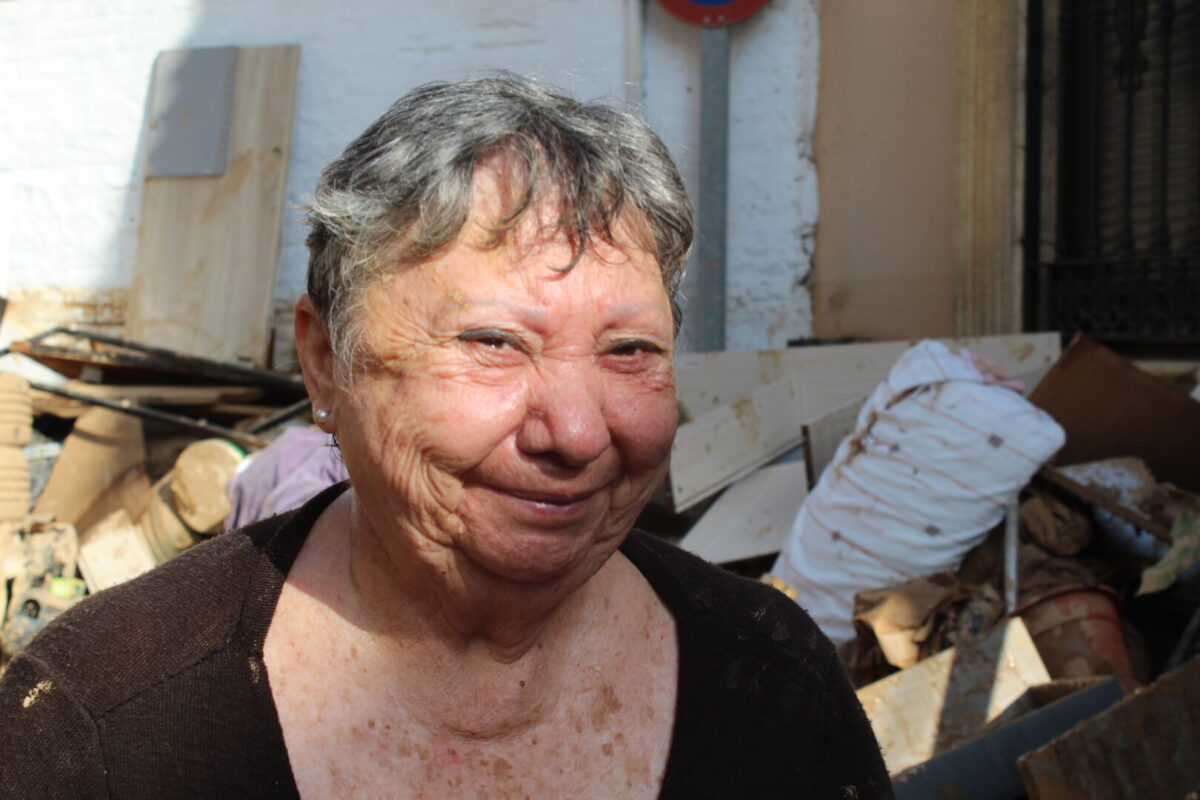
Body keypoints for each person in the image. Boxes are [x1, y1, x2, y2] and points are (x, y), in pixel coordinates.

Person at [0, 75, 892, 798]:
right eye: (494, 343)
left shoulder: (775, 686)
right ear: (324, 363)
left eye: (630, 351)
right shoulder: (98, 730)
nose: (578, 434)